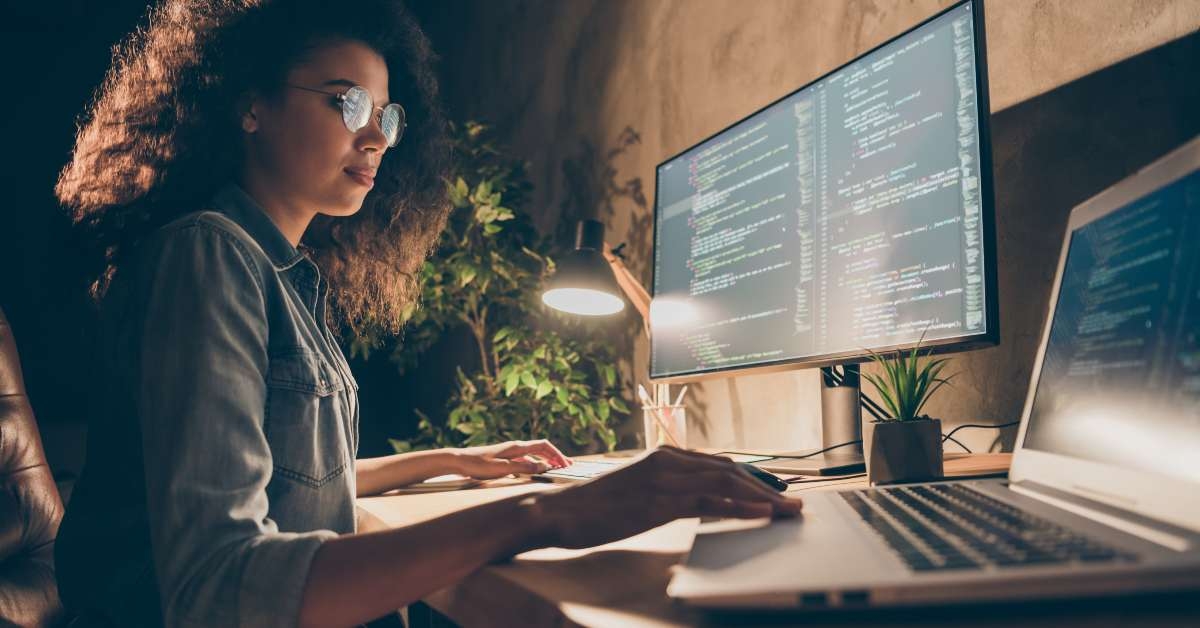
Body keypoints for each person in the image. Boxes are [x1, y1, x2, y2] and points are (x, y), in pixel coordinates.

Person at [53, 1, 803, 626]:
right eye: (347, 102)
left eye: (387, 114)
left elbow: (291, 483)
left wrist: (449, 461)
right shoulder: (208, 256)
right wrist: (546, 515)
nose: (376, 136)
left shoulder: (283, 272)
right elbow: (219, 586)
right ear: (252, 105)